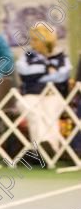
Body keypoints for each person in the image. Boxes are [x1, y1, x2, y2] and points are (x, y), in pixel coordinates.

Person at [16, 23, 72, 154]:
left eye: (35, 39)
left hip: (53, 95)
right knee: (35, 114)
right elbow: (24, 72)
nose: (32, 43)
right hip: (29, 95)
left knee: (50, 115)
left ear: (45, 40)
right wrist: (47, 69)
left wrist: (38, 77)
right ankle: (43, 149)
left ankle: (50, 149)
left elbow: (62, 75)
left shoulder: (62, 56)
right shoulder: (27, 55)